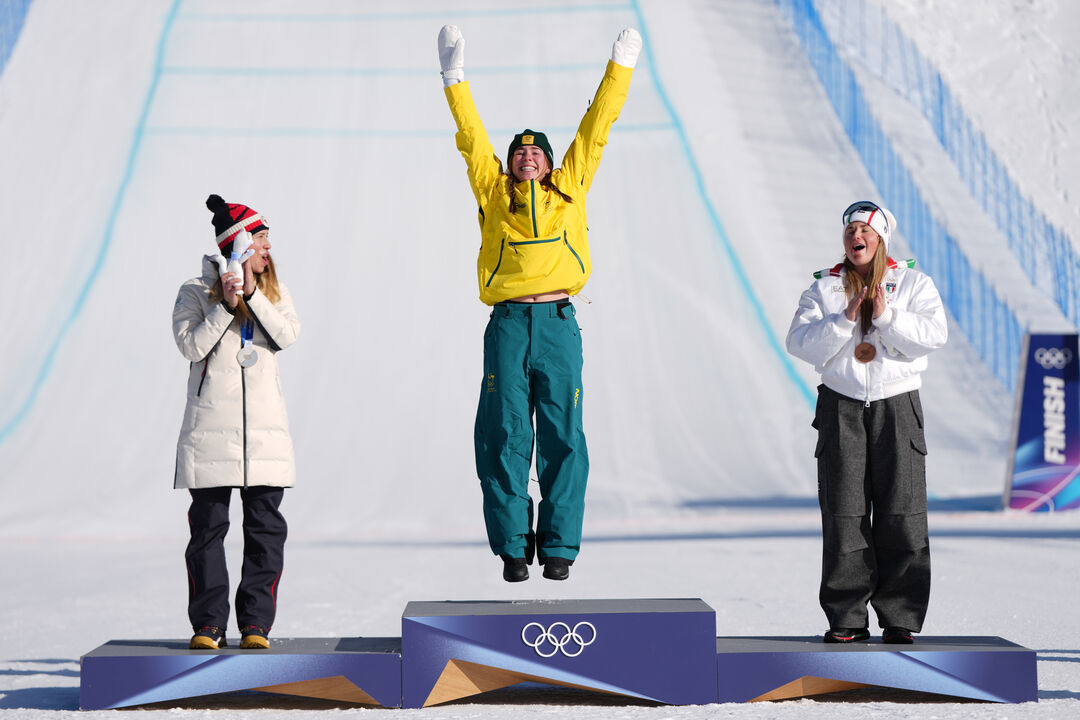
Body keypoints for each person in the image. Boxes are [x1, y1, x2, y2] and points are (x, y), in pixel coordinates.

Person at [437, 25, 641, 582]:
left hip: (556, 323)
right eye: (519, 153)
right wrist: (454, 77)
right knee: (503, 434)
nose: (527, 158)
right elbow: (472, 138)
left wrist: (619, 66)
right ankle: (511, 545)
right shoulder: (493, 192)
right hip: (507, 324)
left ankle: (559, 547)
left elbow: (596, 128)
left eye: (535, 153)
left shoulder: (570, 186)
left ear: (549, 163)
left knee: (563, 436)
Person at [786, 201, 948, 644]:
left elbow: (934, 335)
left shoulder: (914, 283)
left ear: (880, 240)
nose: (855, 237)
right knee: (844, 512)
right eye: (850, 231)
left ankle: (900, 616)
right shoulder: (825, 290)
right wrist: (844, 320)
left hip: (897, 406)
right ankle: (847, 617)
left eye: (864, 231)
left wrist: (886, 316)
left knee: (903, 511)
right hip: (842, 406)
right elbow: (799, 342)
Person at [172, 194, 300, 649]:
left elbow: (287, 335)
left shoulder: (274, 291)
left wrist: (249, 296)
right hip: (209, 434)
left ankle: (255, 626)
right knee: (207, 531)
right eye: (260, 242)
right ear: (239, 247)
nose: (268, 251)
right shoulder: (193, 291)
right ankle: (208, 625)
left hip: (265, 436)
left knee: (265, 530)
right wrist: (224, 306)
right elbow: (190, 348)